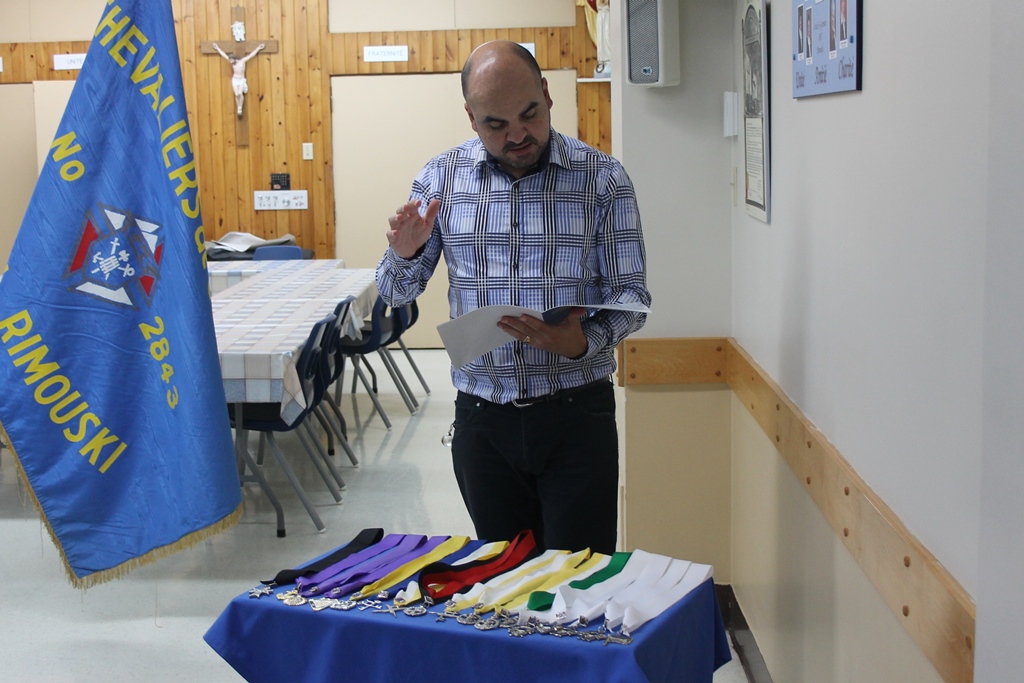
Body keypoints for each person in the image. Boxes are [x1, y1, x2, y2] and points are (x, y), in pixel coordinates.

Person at [375, 41, 650, 556]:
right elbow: (395, 291)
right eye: (496, 125)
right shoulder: (441, 179)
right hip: (484, 423)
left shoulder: (603, 179)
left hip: (576, 418)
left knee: (577, 577)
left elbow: (631, 295)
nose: (519, 135)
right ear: (471, 117)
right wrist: (404, 254)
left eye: (530, 114)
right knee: (502, 577)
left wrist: (582, 341)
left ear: (546, 93)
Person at [212, 42, 264, 117]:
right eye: (230, 61)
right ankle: (238, 107)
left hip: (241, 79)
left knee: (240, 93)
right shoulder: (232, 63)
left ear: (235, 59)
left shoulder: (242, 61)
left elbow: (251, 56)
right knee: (236, 94)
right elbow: (224, 55)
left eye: (231, 60)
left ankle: (240, 108)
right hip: (235, 80)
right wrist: (217, 48)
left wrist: (258, 48)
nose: (231, 62)